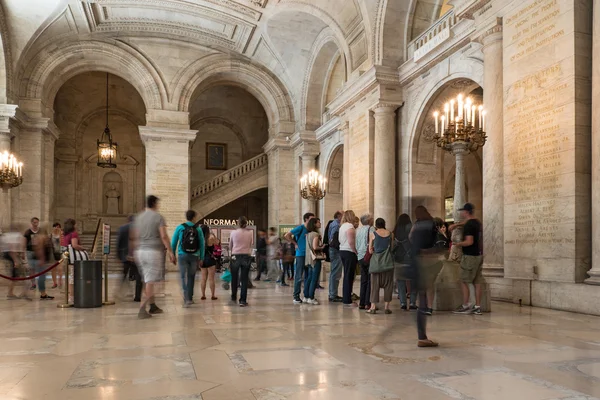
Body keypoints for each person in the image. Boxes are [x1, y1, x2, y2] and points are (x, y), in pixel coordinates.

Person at [133, 195, 176, 319]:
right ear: (154, 204)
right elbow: (163, 236)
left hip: (140, 251)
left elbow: (135, 235)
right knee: (153, 282)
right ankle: (142, 309)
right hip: (152, 251)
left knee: (147, 279)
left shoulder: (139, 217)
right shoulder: (158, 217)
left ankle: (152, 305)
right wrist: (170, 251)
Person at [409, 205, 444, 347]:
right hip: (427, 264)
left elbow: (410, 238)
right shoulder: (431, 224)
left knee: (421, 300)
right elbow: (439, 244)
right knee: (423, 301)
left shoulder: (415, 226)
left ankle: (422, 336)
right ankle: (422, 337)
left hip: (415, 264)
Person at [452, 203, 483, 315]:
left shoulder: (469, 226)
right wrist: (456, 225)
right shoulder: (477, 222)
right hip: (479, 255)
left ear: (466, 212)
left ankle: (466, 305)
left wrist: (457, 244)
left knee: (463, 280)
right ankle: (477, 306)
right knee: (477, 281)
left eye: (463, 211)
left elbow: (469, 242)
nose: (462, 213)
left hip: (470, 256)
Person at [171, 210, 205, 308]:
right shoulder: (198, 229)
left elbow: (174, 242)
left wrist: (172, 254)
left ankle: (186, 298)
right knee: (191, 277)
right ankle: (190, 298)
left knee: (183, 277)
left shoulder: (180, 227)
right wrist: (201, 258)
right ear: (194, 217)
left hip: (182, 255)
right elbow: (202, 244)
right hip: (194, 256)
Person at [285, 212, 315, 305]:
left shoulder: (311, 229)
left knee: (308, 275)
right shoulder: (301, 228)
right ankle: (296, 296)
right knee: (298, 275)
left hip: (309, 254)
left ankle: (306, 295)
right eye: (311, 218)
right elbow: (287, 235)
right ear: (306, 219)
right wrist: (295, 244)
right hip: (300, 254)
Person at [366, 218, 395, 314]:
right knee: (388, 285)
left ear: (376, 225)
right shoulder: (390, 234)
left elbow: (370, 250)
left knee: (374, 286)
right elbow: (392, 248)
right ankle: (387, 307)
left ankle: (373, 307)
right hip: (387, 263)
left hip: (376, 263)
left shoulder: (373, 234)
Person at [229, 216, 254, 307]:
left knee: (234, 278)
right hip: (246, 256)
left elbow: (230, 245)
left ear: (238, 223)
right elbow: (250, 244)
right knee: (244, 279)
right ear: (246, 223)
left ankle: (233, 296)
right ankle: (243, 300)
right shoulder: (249, 233)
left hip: (235, 255)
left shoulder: (233, 232)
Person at [117, 216, 143, 302]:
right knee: (139, 276)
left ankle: (120, 291)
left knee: (124, 274)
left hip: (126, 255)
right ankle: (138, 296)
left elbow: (119, 242)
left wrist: (119, 255)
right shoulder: (139, 228)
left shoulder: (122, 228)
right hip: (137, 255)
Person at [394, 213, 416, 310]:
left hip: (398, 258)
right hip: (410, 257)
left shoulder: (395, 230)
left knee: (400, 282)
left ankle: (403, 303)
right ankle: (412, 303)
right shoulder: (410, 228)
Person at [3, 224, 30, 300]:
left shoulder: (7, 235)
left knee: (16, 276)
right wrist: (16, 260)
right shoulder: (17, 236)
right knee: (15, 276)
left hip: (9, 256)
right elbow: (12, 249)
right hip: (12, 257)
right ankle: (11, 293)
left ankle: (17, 292)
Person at [63, 218, 86, 303]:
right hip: (74, 258)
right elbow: (74, 245)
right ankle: (72, 297)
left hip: (68, 257)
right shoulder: (73, 234)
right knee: (73, 277)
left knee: (72, 276)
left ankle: (72, 296)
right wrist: (83, 248)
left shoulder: (66, 234)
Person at [339, 210, 358, 307]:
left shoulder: (342, 226)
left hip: (342, 250)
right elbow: (351, 242)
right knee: (349, 276)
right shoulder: (350, 226)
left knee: (347, 275)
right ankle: (347, 300)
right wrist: (355, 251)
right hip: (349, 251)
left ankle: (346, 298)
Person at [31, 226, 55, 300]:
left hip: (38, 259)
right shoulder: (41, 238)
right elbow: (39, 249)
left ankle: (42, 293)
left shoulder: (37, 238)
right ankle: (43, 294)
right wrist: (42, 259)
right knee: (42, 277)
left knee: (41, 277)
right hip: (40, 260)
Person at [356, 214, 374, 310]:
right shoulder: (371, 229)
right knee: (370, 280)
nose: (373, 220)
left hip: (360, 257)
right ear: (369, 221)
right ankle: (368, 303)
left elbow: (356, 244)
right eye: (372, 219)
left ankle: (362, 303)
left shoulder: (358, 230)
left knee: (364, 280)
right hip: (369, 256)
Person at [305, 218, 324, 304]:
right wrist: (322, 247)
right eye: (318, 222)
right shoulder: (315, 234)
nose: (320, 223)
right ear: (315, 224)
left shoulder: (308, 234)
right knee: (314, 279)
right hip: (315, 259)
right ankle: (311, 297)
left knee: (309, 278)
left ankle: (306, 296)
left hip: (309, 258)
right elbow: (315, 247)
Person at [327, 211, 343, 302]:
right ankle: (333, 295)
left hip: (333, 250)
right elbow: (333, 239)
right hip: (335, 250)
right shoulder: (336, 225)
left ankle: (332, 294)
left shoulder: (333, 223)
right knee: (335, 273)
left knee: (334, 272)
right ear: (339, 216)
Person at [23, 217, 40, 290]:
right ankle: (33, 283)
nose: (36, 224)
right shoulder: (27, 232)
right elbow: (24, 243)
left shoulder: (41, 231)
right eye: (34, 222)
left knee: (39, 267)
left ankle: (40, 282)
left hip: (39, 251)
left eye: (37, 222)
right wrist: (23, 252)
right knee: (31, 268)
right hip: (30, 251)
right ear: (32, 223)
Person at [51, 222, 63, 289]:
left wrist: (60, 234)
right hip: (53, 253)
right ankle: (54, 282)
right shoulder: (51, 235)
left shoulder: (62, 234)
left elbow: (62, 243)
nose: (56, 228)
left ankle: (60, 281)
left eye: (58, 227)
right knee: (53, 269)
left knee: (60, 268)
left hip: (60, 252)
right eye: (55, 226)